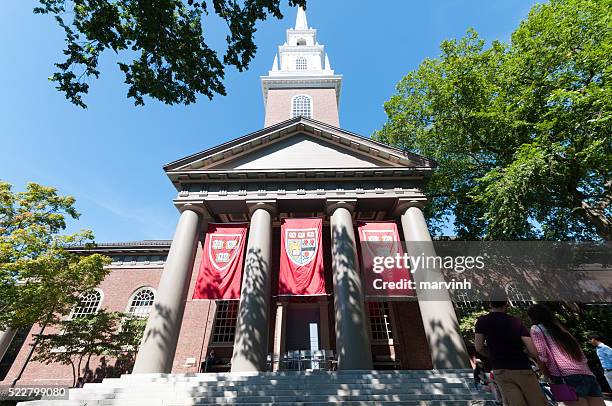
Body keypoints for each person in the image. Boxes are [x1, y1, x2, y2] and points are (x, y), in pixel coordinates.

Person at [474, 292, 548, 406]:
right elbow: (533, 350)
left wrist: (493, 355)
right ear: (506, 303)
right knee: (537, 402)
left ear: (490, 304)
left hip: (500, 370)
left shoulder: (482, 321)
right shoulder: (516, 321)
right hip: (521, 367)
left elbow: (478, 347)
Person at [528, 304, 604, 406]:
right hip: (587, 374)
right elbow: (581, 354)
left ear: (532, 317)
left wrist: (543, 371)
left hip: (564, 376)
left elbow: (542, 354)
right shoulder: (561, 329)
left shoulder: (536, 329)